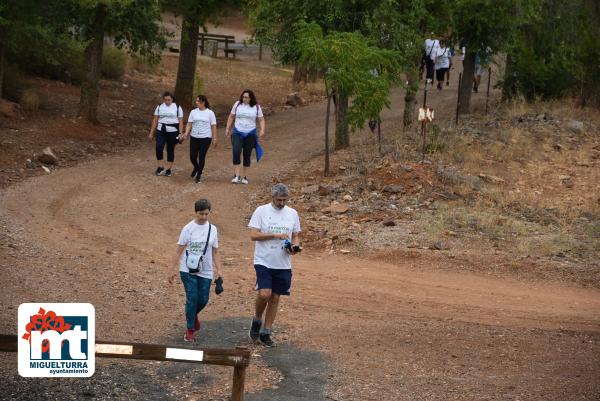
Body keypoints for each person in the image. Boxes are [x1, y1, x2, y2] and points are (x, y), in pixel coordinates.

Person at [248, 184, 301, 347]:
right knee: (264, 294)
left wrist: (294, 247)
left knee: (275, 297)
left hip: (283, 262)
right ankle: (257, 319)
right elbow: (253, 235)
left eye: (285, 200)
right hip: (264, 260)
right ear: (272, 197)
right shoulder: (261, 211)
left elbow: (295, 235)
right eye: (279, 200)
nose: (282, 203)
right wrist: (274, 235)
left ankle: (266, 332)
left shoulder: (292, 213)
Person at [174, 198, 222, 342]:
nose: (203, 217)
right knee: (192, 297)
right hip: (187, 269)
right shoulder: (188, 229)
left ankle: (193, 316)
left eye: (206, 214)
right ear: (195, 212)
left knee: (203, 299)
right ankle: (190, 330)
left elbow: (215, 251)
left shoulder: (212, 229)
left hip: (205, 270)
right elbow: (179, 250)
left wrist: (219, 270)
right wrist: (171, 269)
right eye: (201, 214)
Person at [225, 89, 265, 185]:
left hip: (250, 133)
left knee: (247, 154)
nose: (244, 99)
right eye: (243, 97)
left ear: (251, 98)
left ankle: (245, 176)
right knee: (236, 151)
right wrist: (227, 128)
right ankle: (236, 175)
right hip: (237, 132)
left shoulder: (256, 107)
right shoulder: (237, 104)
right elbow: (231, 116)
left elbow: (261, 119)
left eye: (246, 97)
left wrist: (262, 129)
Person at [182, 95, 217, 184]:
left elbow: (213, 126)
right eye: (196, 101)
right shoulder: (193, 112)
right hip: (194, 137)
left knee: (201, 156)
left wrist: (214, 138)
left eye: (198, 101)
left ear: (203, 102)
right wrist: (186, 133)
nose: (196, 102)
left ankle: (198, 175)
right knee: (192, 156)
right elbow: (189, 124)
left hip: (206, 138)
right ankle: (196, 167)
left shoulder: (210, 113)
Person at [148, 91, 184, 177]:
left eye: (169, 100)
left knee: (170, 150)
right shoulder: (160, 107)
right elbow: (155, 120)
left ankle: (168, 169)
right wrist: (151, 133)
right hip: (161, 130)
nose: (167, 102)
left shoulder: (177, 107)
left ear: (172, 99)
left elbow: (181, 122)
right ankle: (160, 167)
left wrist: (180, 133)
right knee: (159, 147)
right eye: (165, 100)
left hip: (173, 131)